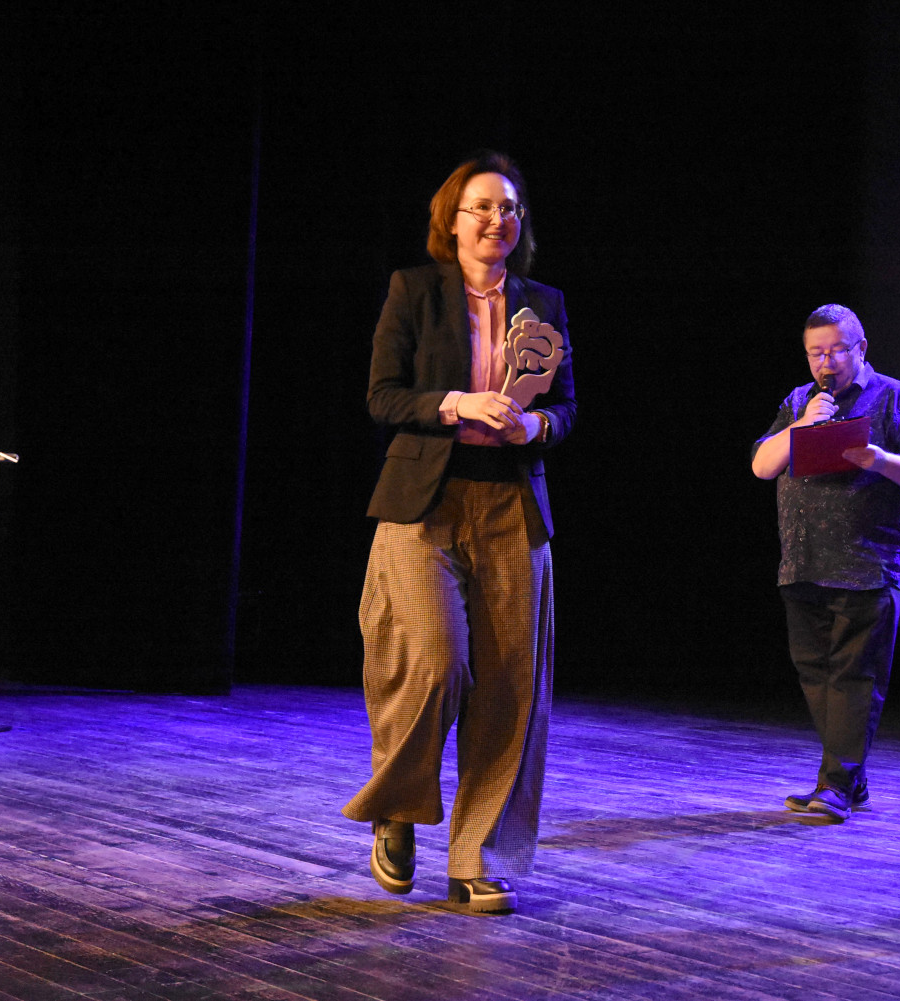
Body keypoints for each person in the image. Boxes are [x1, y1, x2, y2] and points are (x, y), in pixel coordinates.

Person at [341, 151, 575, 915]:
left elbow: (566, 406)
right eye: (481, 206)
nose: (496, 219)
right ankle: (397, 806)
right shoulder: (414, 290)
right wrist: (457, 404)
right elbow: (383, 396)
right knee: (435, 663)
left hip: (512, 504)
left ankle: (480, 855)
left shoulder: (543, 303)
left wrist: (536, 425)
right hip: (424, 502)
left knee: (510, 688)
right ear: (452, 218)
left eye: (509, 208)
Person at [752, 305, 900, 821]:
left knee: (854, 678)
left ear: (861, 348)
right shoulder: (799, 401)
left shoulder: (897, 397)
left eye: (836, 350)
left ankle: (834, 785)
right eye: (816, 353)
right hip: (803, 561)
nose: (826, 362)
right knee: (815, 674)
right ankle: (848, 780)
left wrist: (880, 459)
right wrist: (801, 427)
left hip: (869, 564)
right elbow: (762, 466)